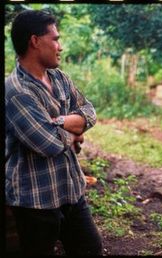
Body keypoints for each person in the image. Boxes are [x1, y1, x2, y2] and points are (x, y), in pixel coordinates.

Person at [5, 10, 102, 255]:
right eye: (55, 39)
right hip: (35, 202)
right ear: (35, 41)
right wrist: (76, 132)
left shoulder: (59, 77)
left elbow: (89, 111)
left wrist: (57, 121)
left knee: (90, 249)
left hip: (70, 189)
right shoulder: (17, 92)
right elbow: (48, 144)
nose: (60, 46)